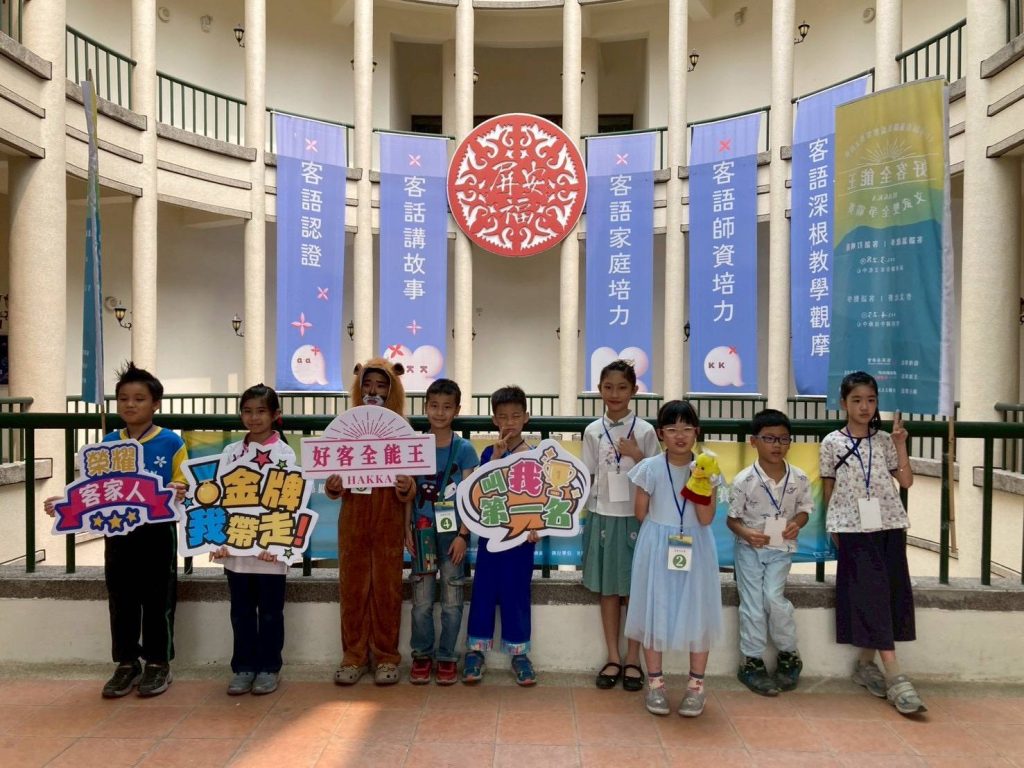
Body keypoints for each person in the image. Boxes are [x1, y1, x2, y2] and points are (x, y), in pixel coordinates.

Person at [46, 362, 187, 698]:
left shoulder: (171, 442)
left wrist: (179, 489)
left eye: (139, 398)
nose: (130, 405)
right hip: (117, 532)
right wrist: (64, 503)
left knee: (158, 599)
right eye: (123, 398)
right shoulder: (108, 442)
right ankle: (126, 663)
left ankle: (158, 663)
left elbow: (184, 482)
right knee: (121, 598)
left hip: (157, 532)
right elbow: (92, 488)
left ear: (156, 404)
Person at [820, 371, 924, 715]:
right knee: (871, 594)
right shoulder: (831, 442)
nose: (865, 407)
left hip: (889, 525)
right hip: (852, 529)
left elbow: (905, 481)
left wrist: (900, 444)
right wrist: (832, 526)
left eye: (871, 400)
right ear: (843, 403)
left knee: (888, 594)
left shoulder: (884, 441)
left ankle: (865, 665)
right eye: (857, 400)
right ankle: (896, 676)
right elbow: (828, 488)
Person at [625, 400, 722, 717]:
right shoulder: (650, 468)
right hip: (657, 544)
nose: (680, 436)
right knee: (655, 608)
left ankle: (696, 687)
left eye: (686, 428)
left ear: (697, 432)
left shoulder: (707, 467)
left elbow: (706, 518)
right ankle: (655, 684)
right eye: (672, 429)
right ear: (660, 433)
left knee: (698, 609)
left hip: (697, 543)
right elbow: (641, 512)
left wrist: (700, 482)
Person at [325, 359, 416, 686]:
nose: (373, 391)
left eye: (381, 385)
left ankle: (386, 657)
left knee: (387, 589)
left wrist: (407, 486)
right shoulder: (346, 427)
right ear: (358, 387)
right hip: (353, 520)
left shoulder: (403, 430)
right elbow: (332, 482)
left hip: (389, 520)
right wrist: (333, 486)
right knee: (352, 588)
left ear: (392, 390)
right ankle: (354, 656)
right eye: (367, 384)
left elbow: (412, 485)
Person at [582, 360, 660, 692]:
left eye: (622, 387)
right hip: (601, 514)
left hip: (636, 517)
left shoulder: (645, 431)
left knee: (635, 590)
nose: (615, 394)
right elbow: (586, 476)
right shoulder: (592, 430)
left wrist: (638, 455)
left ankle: (633, 659)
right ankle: (613, 656)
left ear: (634, 391)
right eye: (608, 387)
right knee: (608, 590)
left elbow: (658, 476)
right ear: (599, 390)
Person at [210, 384, 293, 696]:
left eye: (261, 411)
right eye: (247, 411)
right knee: (241, 612)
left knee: (271, 613)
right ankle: (243, 667)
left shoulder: (284, 453)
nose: (254, 417)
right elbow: (218, 497)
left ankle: (269, 667)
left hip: (271, 551)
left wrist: (277, 545)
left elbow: (288, 502)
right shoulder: (231, 451)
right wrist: (217, 539)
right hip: (236, 550)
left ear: (275, 415)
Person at [728, 409, 813, 696]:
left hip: (781, 550)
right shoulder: (744, 480)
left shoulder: (799, 477)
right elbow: (732, 520)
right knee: (752, 603)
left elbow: (804, 511)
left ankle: (789, 653)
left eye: (783, 439)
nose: (777, 445)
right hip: (749, 551)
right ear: (754, 441)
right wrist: (747, 534)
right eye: (769, 438)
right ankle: (751, 661)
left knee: (774, 599)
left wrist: (796, 524)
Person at [462, 385, 539, 686]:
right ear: (494, 420)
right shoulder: (487, 452)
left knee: (517, 592)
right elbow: (480, 491)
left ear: (526, 417)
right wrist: (494, 458)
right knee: (483, 590)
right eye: (503, 417)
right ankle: (475, 651)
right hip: (490, 537)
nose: (509, 422)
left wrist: (537, 528)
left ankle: (519, 654)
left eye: (515, 416)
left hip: (521, 540)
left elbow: (542, 500)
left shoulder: (534, 455)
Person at [406, 379, 479, 685]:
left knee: (452, 599)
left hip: (453, 537)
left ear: (457, 410)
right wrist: (405, 529)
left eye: (447, 407)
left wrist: (463, 535)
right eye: (434, 406)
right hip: (421, 532)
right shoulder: (415, 446)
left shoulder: (464, 449)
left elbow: (472, 496)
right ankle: (422, 655)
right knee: (421, 600)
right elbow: (408, 493)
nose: (439, 412)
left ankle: (447, 656)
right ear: (426, 408)